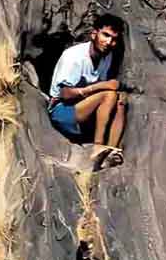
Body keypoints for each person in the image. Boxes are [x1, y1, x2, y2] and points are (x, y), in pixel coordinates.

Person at [48, 14, 128, 168]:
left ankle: (111, 152)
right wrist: (101, 86)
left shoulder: (107, 56)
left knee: (120, 100)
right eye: (105, 35)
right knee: (109, 94)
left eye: (113, 39)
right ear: (94, 34)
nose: (109, 42)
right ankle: (97, 147)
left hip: (84, 109)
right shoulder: (74, 56)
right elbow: (65, 94)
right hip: (61, 111)